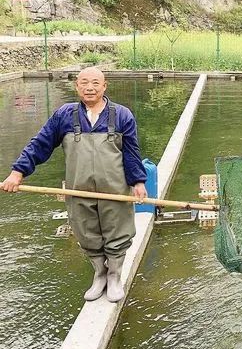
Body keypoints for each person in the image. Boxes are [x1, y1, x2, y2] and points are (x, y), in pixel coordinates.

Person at [1, 67, 147, 303]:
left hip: (115, 190)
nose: (90, 87)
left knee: (118, 233)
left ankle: (114, 275)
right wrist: (18, 172)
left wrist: (138, 181)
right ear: (77, 86)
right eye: (85, 83)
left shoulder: (121, 115)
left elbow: (131, 152)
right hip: (78, 189)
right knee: (86, 233)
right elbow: (40, 144)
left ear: (104, 86)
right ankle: (99, 274)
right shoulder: (64, 115)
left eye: (95, 83)